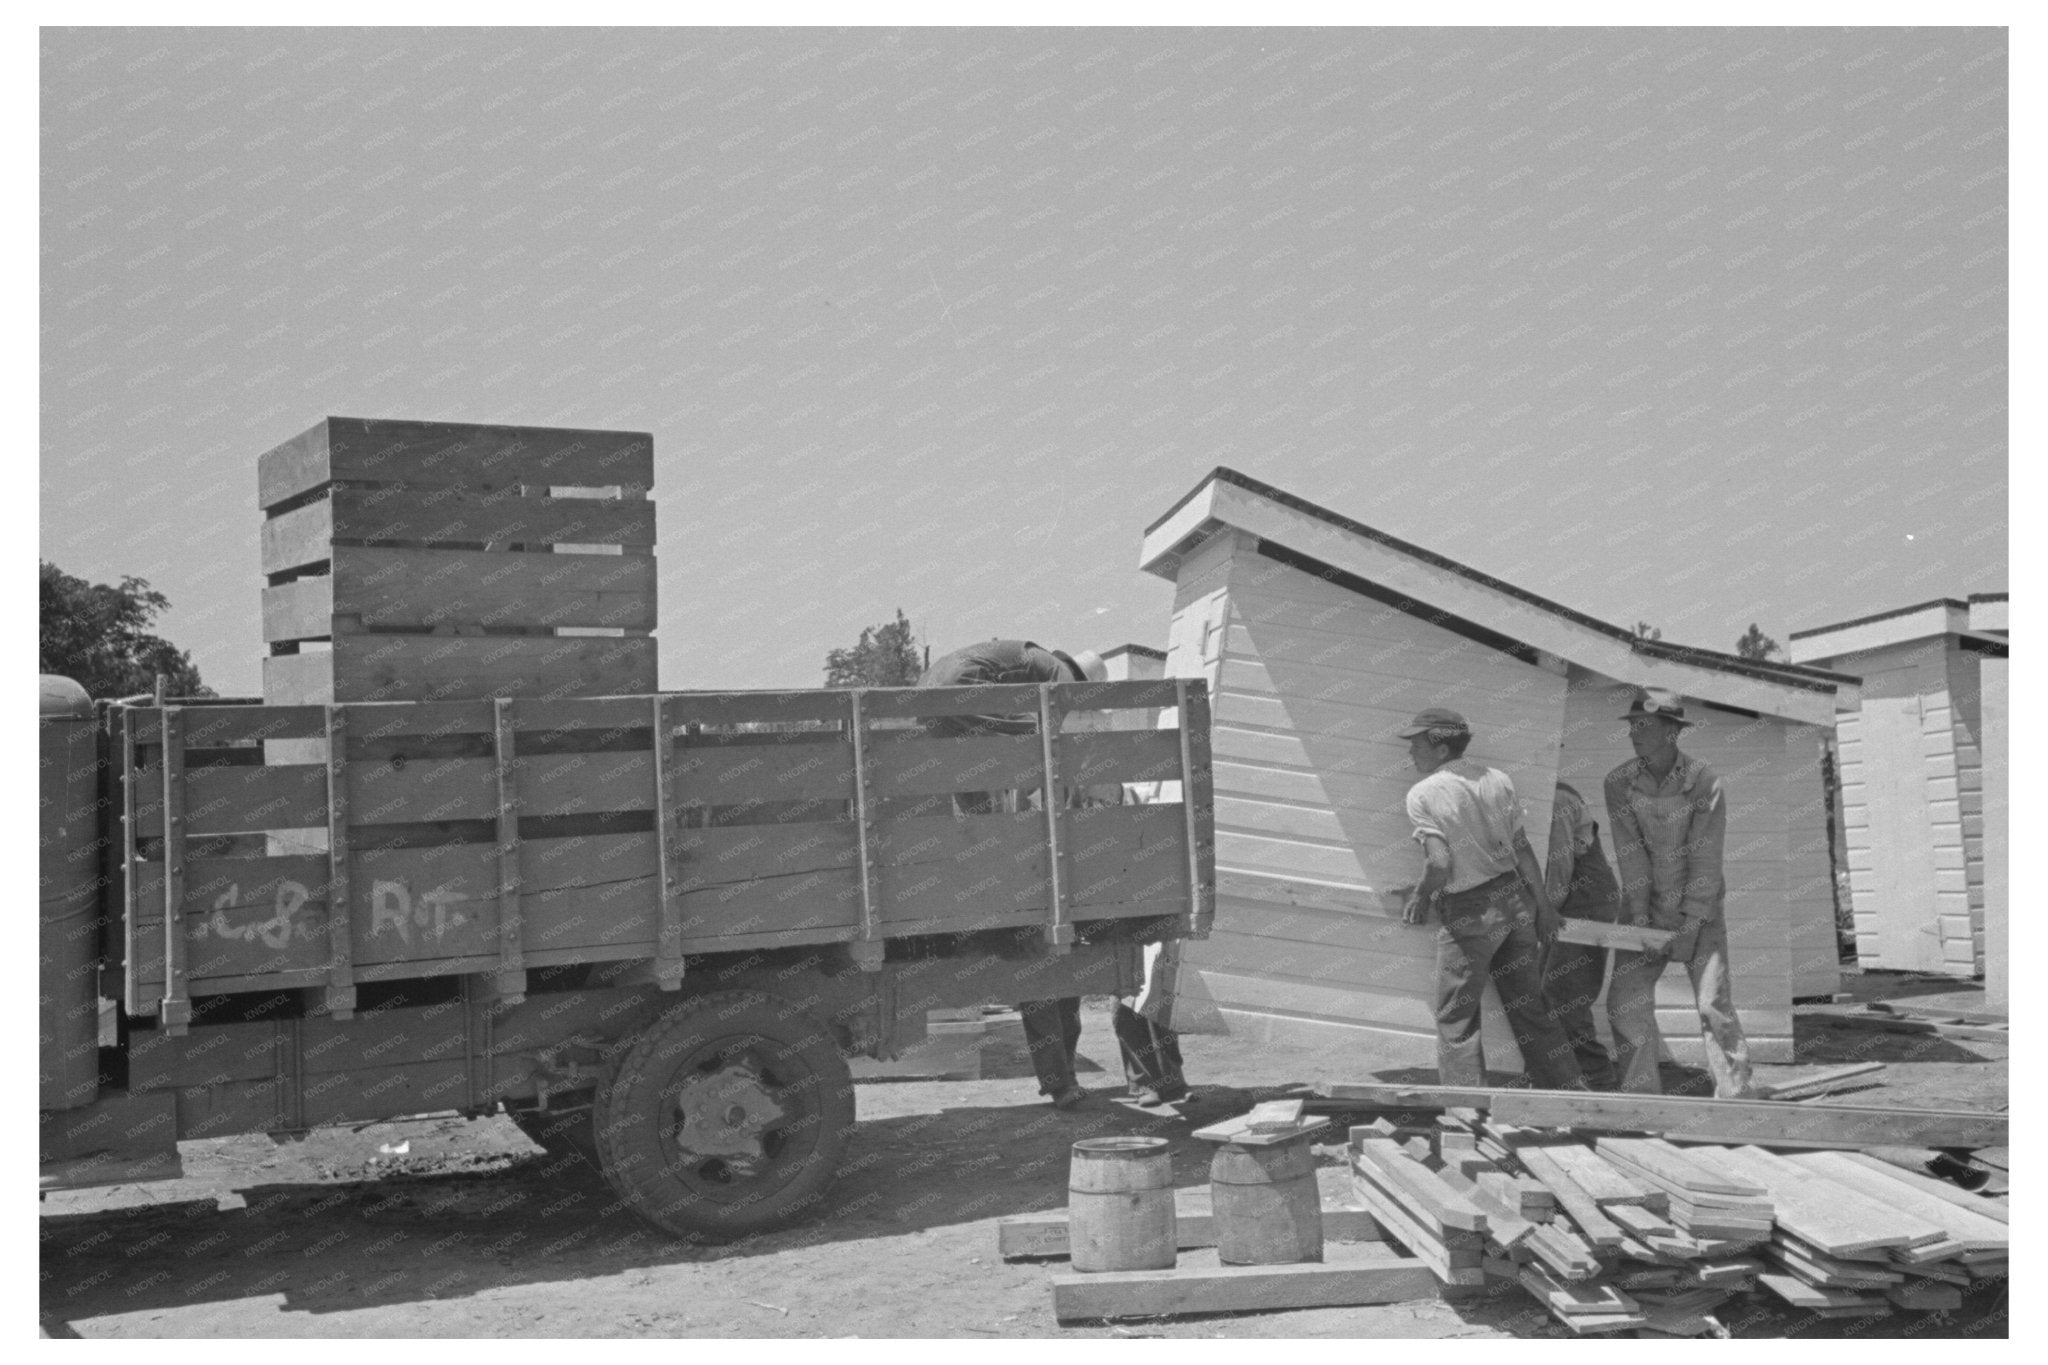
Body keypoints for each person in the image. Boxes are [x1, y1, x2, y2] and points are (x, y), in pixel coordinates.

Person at [916, 639, 1107, 1109]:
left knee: (974, 766)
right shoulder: (1056, 676)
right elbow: (1046, 750)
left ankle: (1063, 1080)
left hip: (931, 686)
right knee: (1046, 980)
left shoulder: (1028, 674)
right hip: (1029, 881)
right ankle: (1061, 1082)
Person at [1398, 708, 1583, 1090]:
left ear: (1441, 748)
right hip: (1515, 901)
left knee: (1457, 1016)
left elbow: (1439, 862)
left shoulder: (1423, 794)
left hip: (1471, 912)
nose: (1410, 752)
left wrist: (1421, 895)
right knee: (1530, 1006)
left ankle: (1467, 1108)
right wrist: (1544, 909)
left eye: (1416, 745)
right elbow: (1522, 848)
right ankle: (1565, 1092)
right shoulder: (1498, 780)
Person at [1602, 688, 1753, 1099]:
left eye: (1644, 726)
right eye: (1632, 725)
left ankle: (1736, 1096)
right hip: (1644, 907)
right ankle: (1641, 1098)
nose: (1634, 733)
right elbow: (1630, 853)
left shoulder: (1703, 781)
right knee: (1625, 1002)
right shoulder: (1618, 782)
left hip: (1700, 910)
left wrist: (1690, 924)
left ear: (1671, 732)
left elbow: (1706, 856)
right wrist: (1640, 921)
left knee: (1712, 1004)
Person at [1542, 781, 1622, 1090]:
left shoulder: (1558, 798)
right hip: (1570, 901)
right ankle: (1565, 1079)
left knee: (1565, 998)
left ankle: (1598, 1081)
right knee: (1549, 994)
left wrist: (1545, 914)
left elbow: (1560, 866)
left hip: (1585, 900)